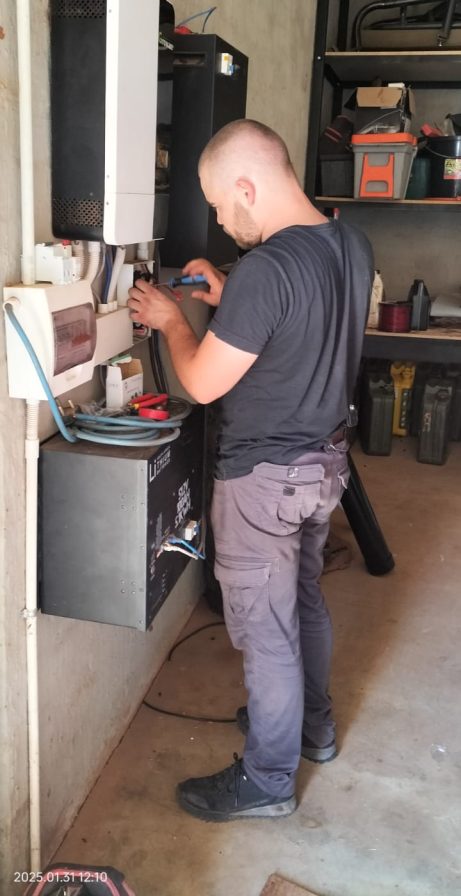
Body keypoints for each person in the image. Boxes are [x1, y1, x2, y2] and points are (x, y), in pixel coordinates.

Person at [128, 119, 374, 823]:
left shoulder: (265, 271)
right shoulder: (348, 241)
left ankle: (268, 781)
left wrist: (175, 317)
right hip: (324, 465)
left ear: (246, 185)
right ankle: (311, 731)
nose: (216, 217)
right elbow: (303, 300)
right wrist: (227, 290)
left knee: (266, 634)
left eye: (216, 202)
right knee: (301, 603)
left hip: (264, 479)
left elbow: (203, 383)